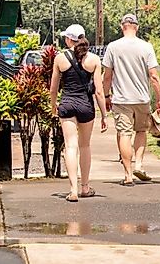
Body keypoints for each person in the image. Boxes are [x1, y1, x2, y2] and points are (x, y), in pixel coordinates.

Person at [102, 13, 160, 186]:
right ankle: (139, 164)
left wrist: (106, 96)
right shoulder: (146, 47)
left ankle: (128, 175)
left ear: (122, 27)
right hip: (142, 99)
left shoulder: (113, 47)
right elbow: (154, 76)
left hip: (121, 100)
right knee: (141, 131)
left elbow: (107, 76)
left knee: (123, 133)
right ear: (136, 27)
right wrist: (159, 99)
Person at [49, 24, 108, 202]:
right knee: (85, 146)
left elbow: (54, 88)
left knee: (70, 146)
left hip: (67, 104)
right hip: (86, 105)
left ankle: (73, 190)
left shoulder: (60, 58)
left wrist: (53, 105)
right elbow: (98, 91)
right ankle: (85, 187)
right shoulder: (94, 60)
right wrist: (104, 114)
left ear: (68, 39)